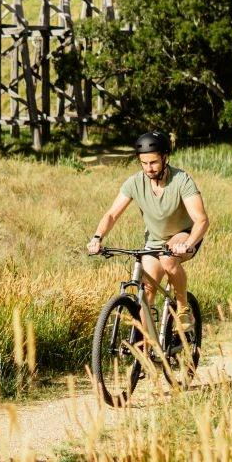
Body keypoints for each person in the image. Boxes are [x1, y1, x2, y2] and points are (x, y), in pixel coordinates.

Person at [86, 132, 209, 341]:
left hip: (184, 236)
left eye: (153, 162)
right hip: (154, 241)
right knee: (147, 290)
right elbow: (112, 214)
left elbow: (202, 220)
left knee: (168, 259)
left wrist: (187, 244)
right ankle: (146, 349)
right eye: (144, 163)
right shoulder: (134, 183)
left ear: (165, 157)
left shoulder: (181, 180)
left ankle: (183, 308)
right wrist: (97, 237)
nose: (149, 168)